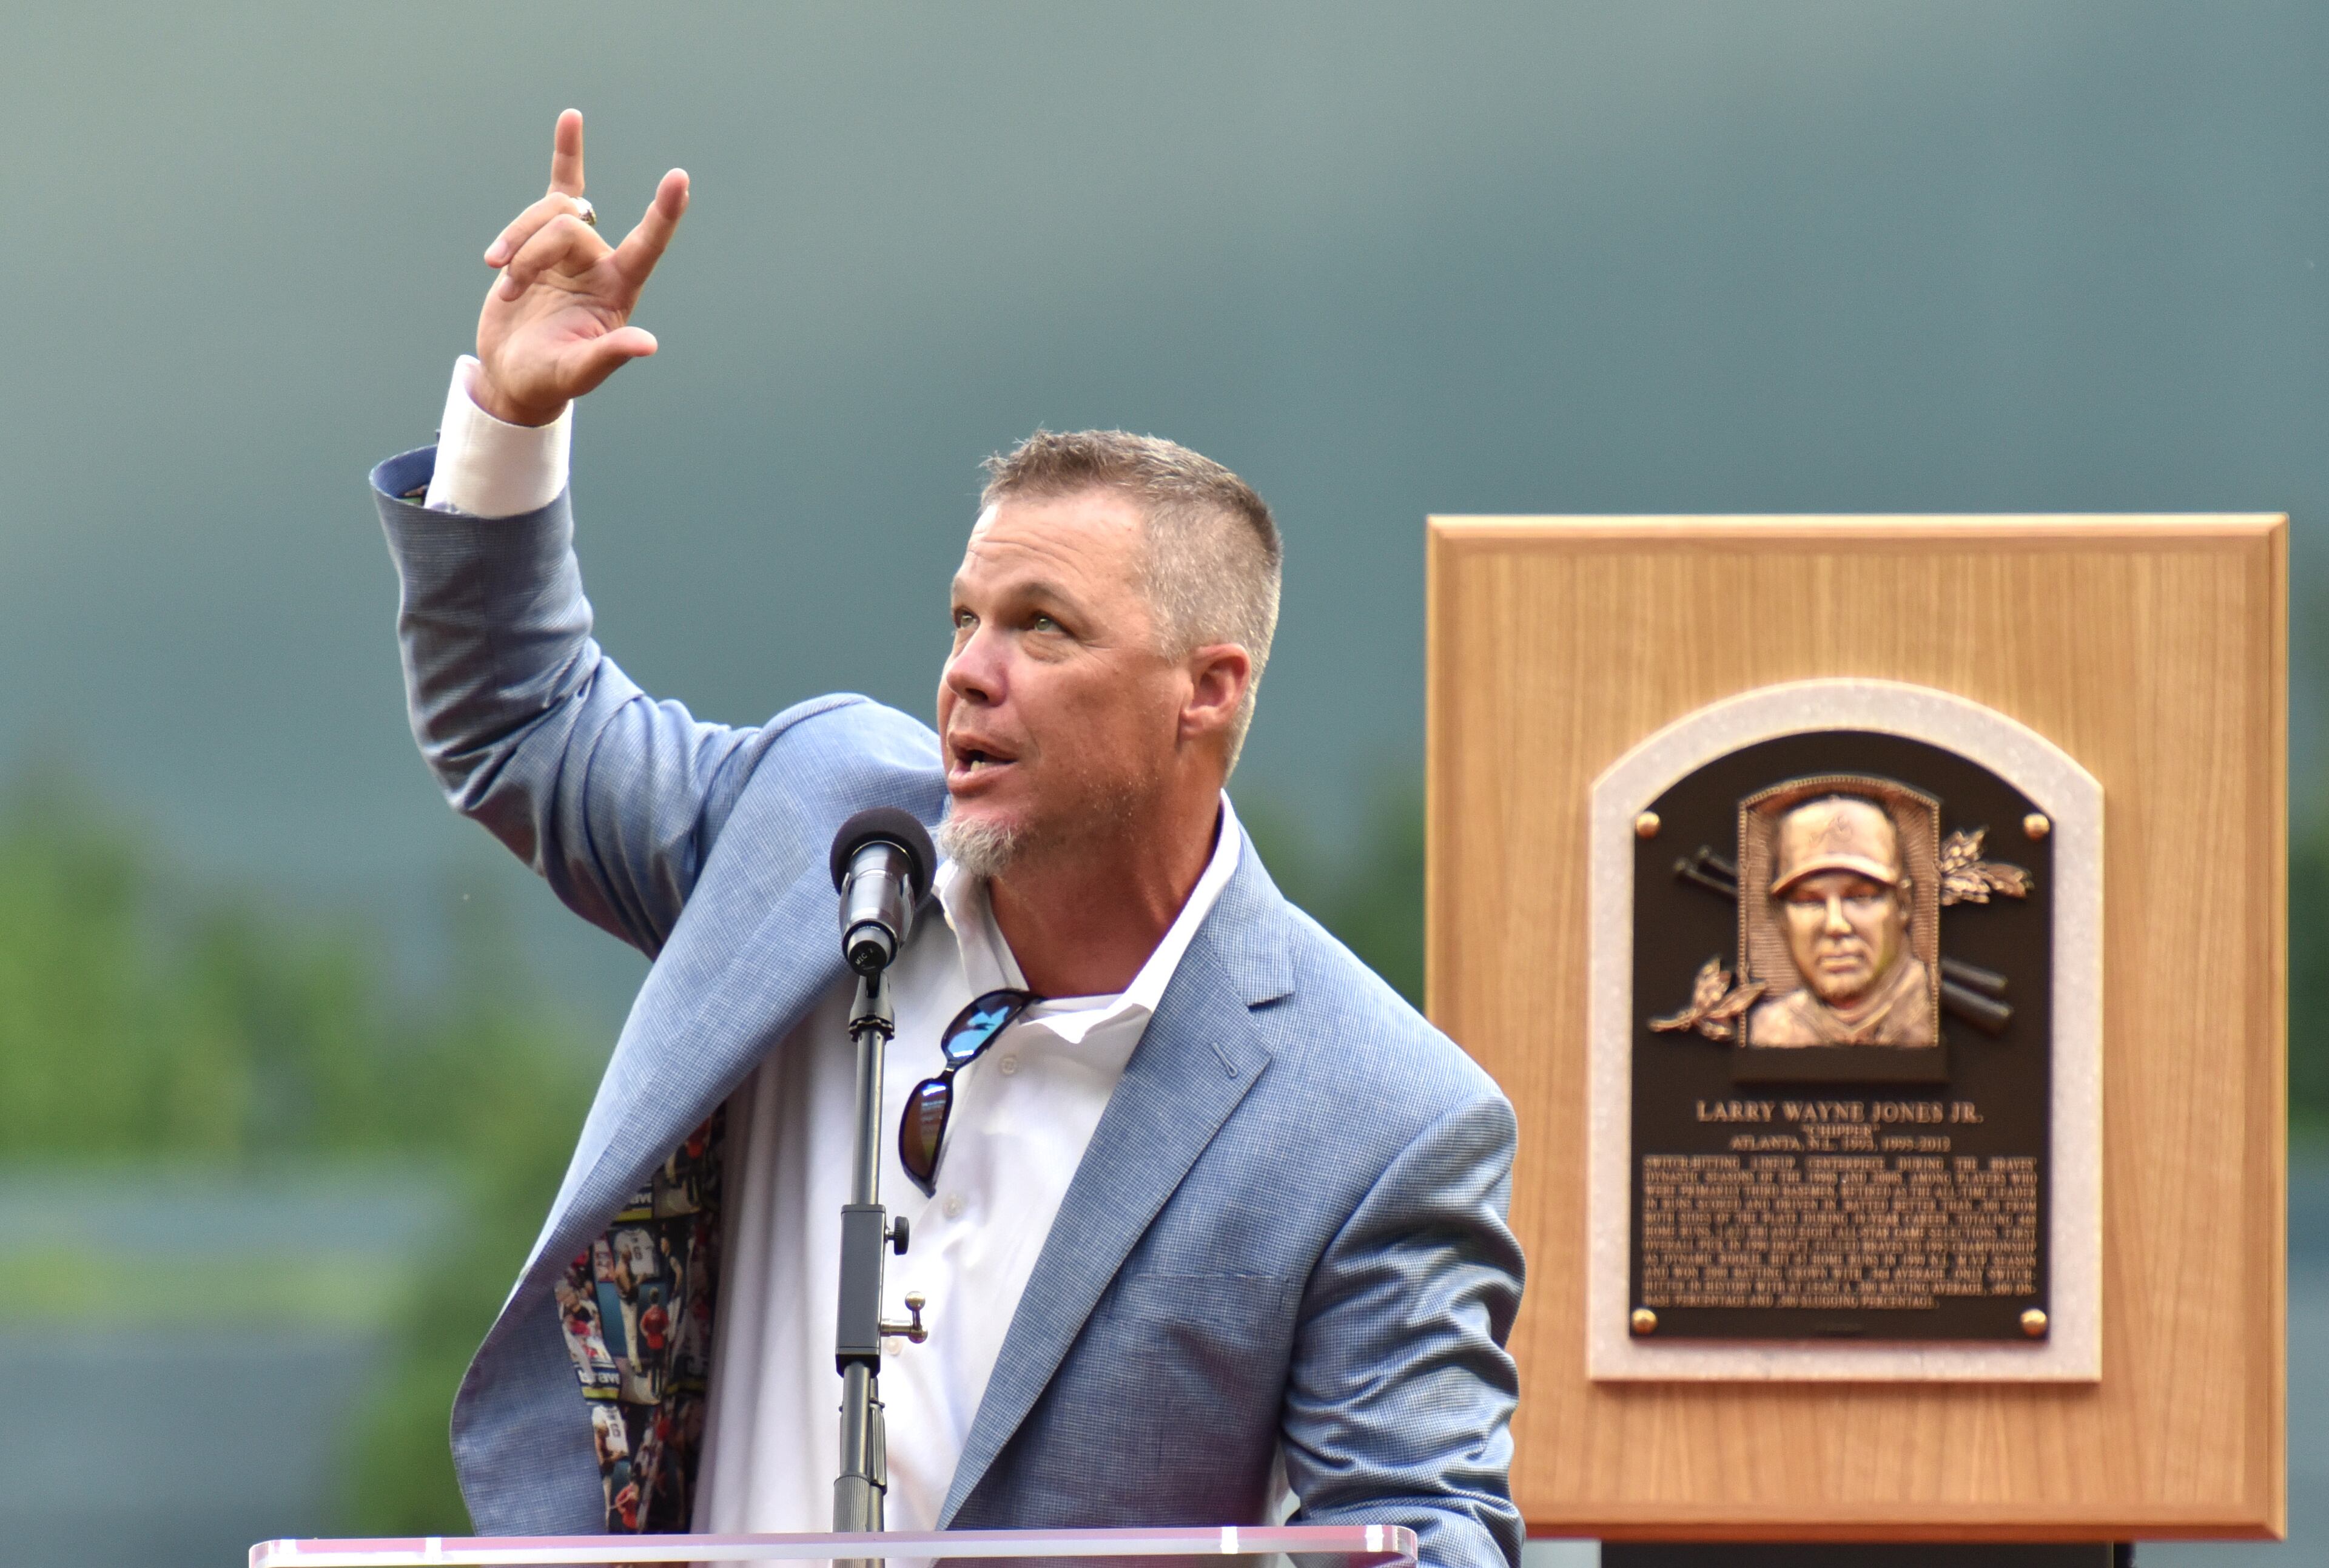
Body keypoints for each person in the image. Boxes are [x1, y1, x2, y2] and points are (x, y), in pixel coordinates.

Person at [369, 110, 1522, 1565]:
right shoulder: (821, 822)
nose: (968, 672)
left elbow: (1429, 1529)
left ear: (1205, 693)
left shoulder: (1377, 1120)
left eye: (1041, 627)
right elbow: (521, 725)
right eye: (963, 618)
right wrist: (514, 423)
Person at [1746, 793, 1935, 1047]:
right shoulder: (1766, 1031)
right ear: (1781, 917)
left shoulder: (1940, 1014)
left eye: (1860, 897)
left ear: (1903, 905)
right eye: (1808, 901)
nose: (1835, 925)